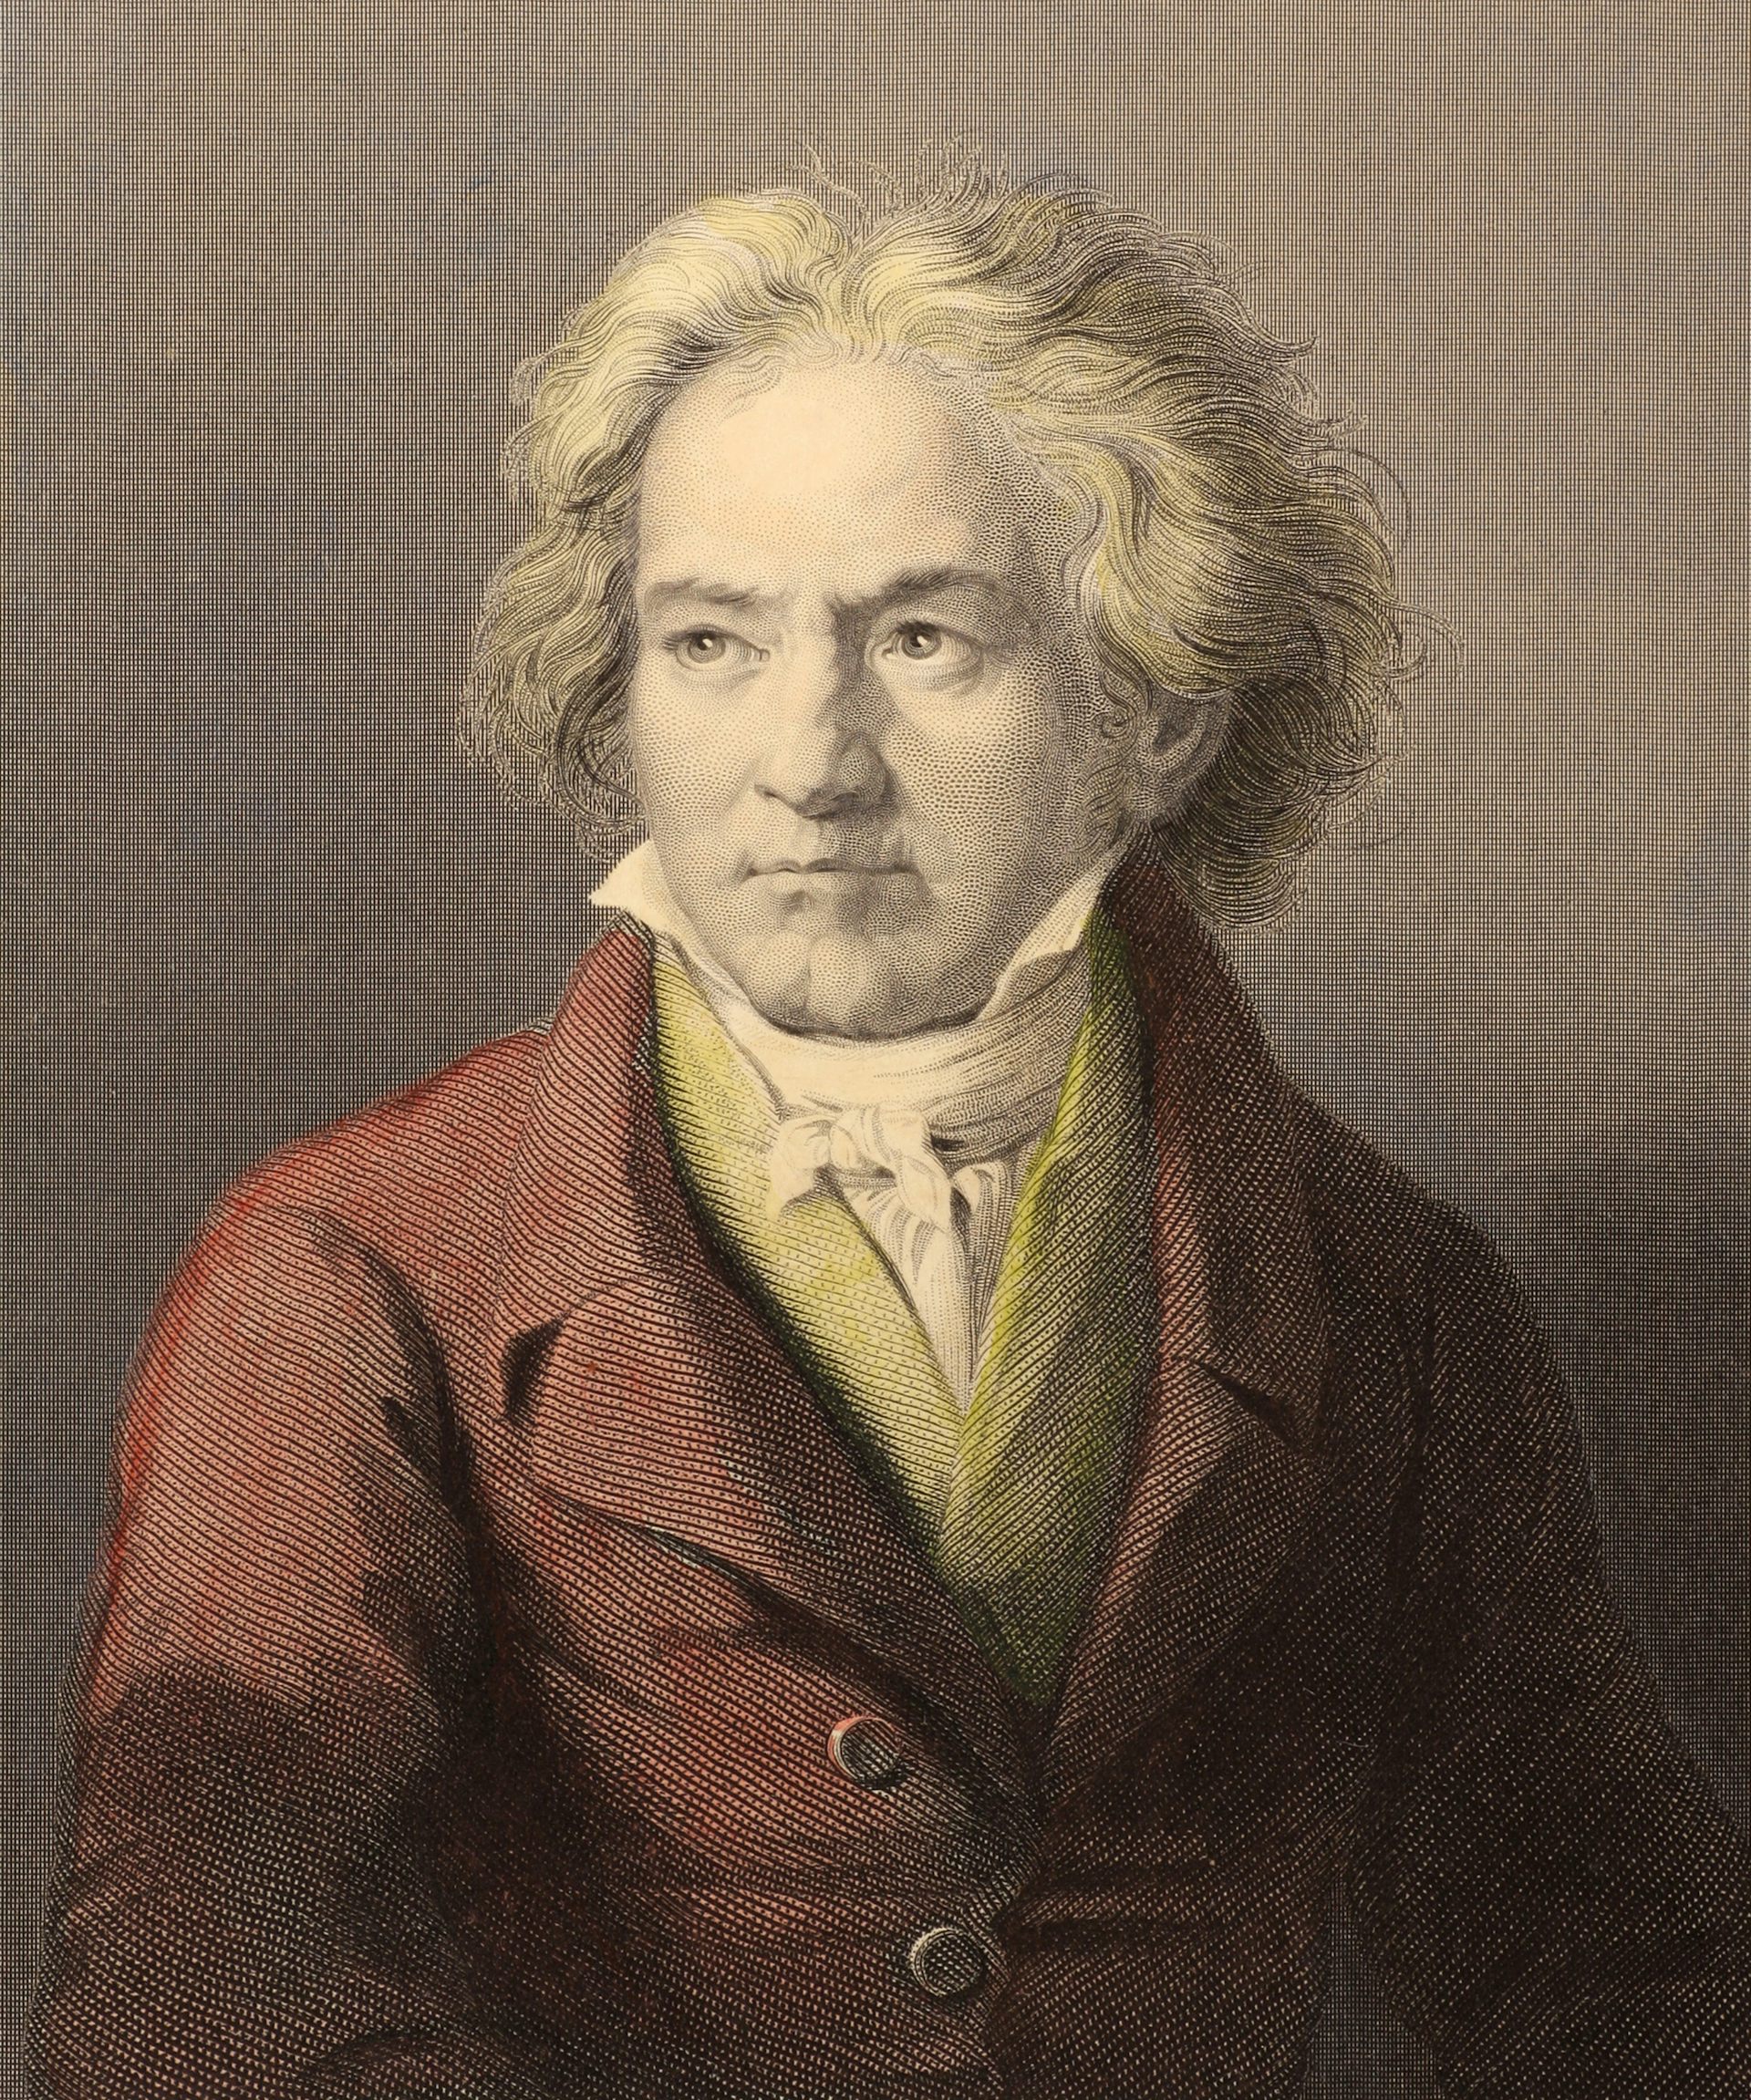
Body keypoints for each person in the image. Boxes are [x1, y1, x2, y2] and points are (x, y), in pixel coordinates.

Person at [36, 166, 1750, 2099]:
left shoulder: (1388, 1299)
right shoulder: (347, 1275)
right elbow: (199, 1994)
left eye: (924, 639)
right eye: (713, 641)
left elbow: (1626, 1973)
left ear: (1157, 716)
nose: (809, 765)